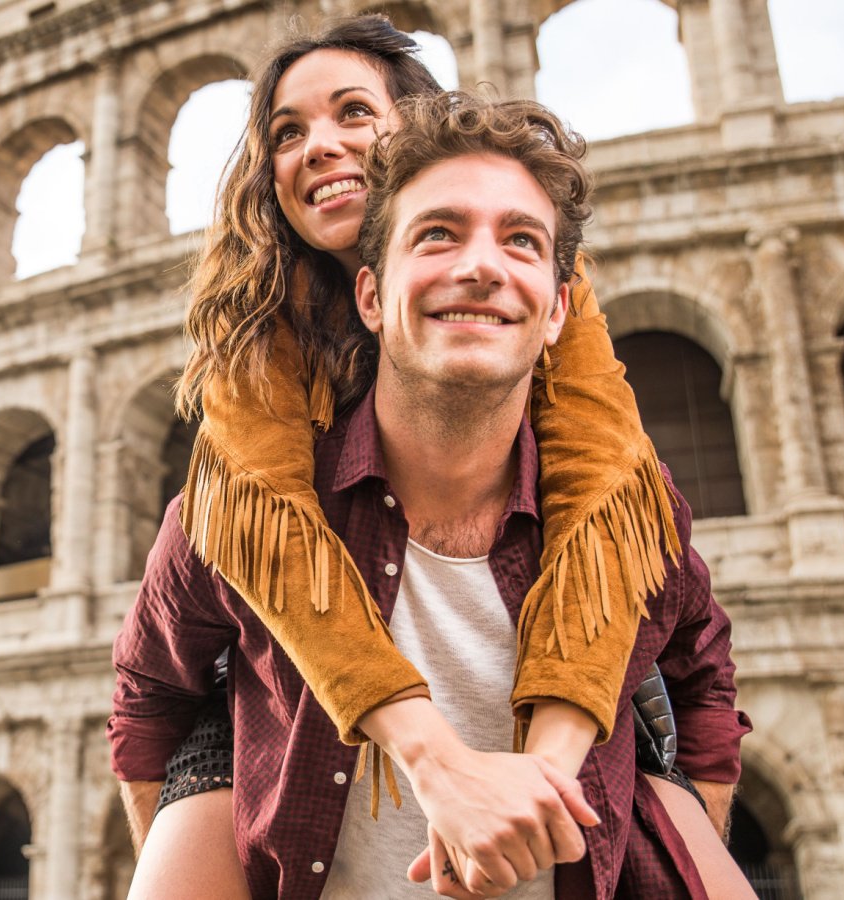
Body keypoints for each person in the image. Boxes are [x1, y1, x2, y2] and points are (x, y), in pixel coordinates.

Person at [109, 84, 753, 897]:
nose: (481, 267)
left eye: (520, 241)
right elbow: (148, 699)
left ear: (561, 309)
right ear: (369, 295)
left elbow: (703, 682)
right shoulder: (235, 499)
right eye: (438, 234)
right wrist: (179, 841)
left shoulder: (629, 503)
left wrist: (690, 839)